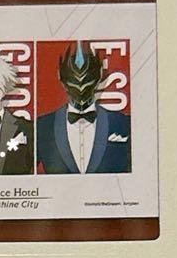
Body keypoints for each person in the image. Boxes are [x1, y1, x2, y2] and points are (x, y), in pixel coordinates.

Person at [36, 41, 131, 174]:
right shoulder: (41, 127)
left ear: (100, 74)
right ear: (60, 77)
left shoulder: (124, 124)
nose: (80, 87)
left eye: (87, 79)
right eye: (73, 80)